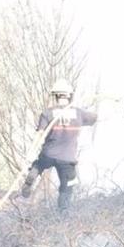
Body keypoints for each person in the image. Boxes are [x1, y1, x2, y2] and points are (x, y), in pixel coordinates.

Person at [20, 79, 98, 212]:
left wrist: (31, 150)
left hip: (48, 154)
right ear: (69, 96)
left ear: (55, 96)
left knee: (39, 164)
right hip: (67, 159)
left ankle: (33, 174)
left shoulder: (47, 113)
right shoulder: (79, 113)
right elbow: (94, 118)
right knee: (68, 186)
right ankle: (63, 214)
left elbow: (39, 133)